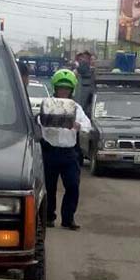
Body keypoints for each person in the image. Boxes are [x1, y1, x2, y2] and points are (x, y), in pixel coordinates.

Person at [41, 69, 91, 230]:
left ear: (72, 90)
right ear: (55, 88)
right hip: (49, 151)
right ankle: (48, 217)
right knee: (49, 187)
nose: (63, 91)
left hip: (69, 153)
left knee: (73, 186)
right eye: (61, 88)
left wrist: (78, 125)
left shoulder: (76, 107)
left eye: (67, 89)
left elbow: (87, 125)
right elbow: (39, 122)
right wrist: (49, 121)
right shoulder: (47, 104)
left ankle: (68, 219)